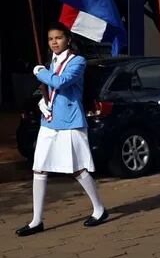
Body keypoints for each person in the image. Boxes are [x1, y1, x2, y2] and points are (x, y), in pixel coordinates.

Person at [16, 23, 109, 236]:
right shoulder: (51, 62)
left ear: (68, 39)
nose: (54, 42)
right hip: (49, 121)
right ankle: (36, 220)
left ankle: (99, 208)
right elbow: (49, 87)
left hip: (69, 121)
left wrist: (40, 72)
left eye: (58, 38)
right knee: (39, 168)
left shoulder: (78, 61)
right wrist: (42, 100)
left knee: (77, 168)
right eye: (50, 39)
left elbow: (62, 82)